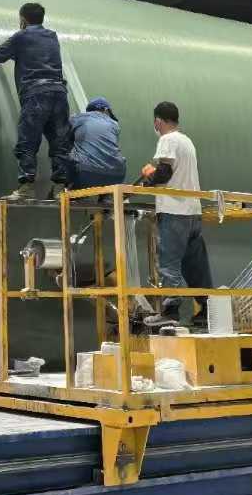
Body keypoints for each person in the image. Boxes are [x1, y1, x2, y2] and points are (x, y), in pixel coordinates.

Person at [0, 3, 73, 200]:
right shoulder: (52, 37)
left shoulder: (21, 37)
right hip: (59, 93)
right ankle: (60, 188)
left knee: (28, 141)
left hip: (36, 94)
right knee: (60, 141)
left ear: (23, 19)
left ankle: (26, 187)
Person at [139, 101, 213, 325]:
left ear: (157, 121)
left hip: (174, 211)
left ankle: (170, 311)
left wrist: (148, 179)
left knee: (168, 261)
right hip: (193, 212)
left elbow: (165, 172)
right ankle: (206, 311)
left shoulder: (167, 139)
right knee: (194, 264)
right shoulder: (187, 141)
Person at [67, 97, 128, 189]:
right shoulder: (114, 124)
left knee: (64, 151)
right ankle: (106, 195)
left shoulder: (78, 118)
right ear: (106, 110)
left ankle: (71, 187)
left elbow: (63, 133)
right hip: (117, 176)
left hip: (86, 174)